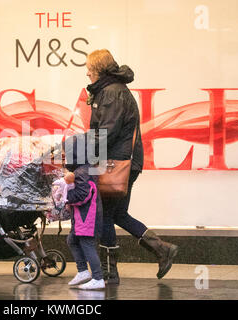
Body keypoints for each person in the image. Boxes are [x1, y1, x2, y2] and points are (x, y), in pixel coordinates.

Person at [85, 49, 178, 284]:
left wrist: (83, 153)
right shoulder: (115, 90)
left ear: (98, 70)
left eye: (89, 69)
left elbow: (106, 133)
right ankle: (161, 249)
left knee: (106, 214)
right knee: (118, 213)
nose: (87, 73)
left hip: (117, 163)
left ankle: (108, 271)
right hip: (126, 161)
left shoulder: (111, 93)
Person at [58, 134, 105, 290]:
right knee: (72, 240)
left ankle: (98, 277)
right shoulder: (84, 169)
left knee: (87, 245)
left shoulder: (83, 172)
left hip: (87, 219)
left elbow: (83, 195)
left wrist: (66, 197)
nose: (65, 157)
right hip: (82, 218)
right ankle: (83, 271)